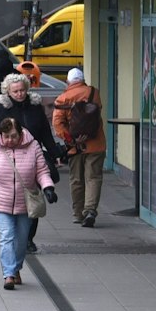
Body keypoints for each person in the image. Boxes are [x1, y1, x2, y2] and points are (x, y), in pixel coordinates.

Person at [0, 115, 55, 288]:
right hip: (0, 201)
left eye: (13, 136)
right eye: (6, 136)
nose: (10, 140)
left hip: (25, 203)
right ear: (0, 135)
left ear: (21, 134)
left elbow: (41, 170)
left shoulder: (33, 147)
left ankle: (16, 267)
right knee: (7, 236)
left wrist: (48, 187)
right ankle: (8, 274)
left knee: (22, 239)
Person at [0, 69, 63, 253]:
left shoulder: (35, 106)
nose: (20, 94)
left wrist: (55, 153)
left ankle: (28, 238)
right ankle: (11, 235)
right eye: (15, 91)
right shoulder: (3, 108)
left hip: (32, 157)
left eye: (22, 90)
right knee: (10, 200)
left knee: (32, 200)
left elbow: (46, 133)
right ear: (8, 92)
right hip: (9, 160)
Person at [53, 66, 107, 227]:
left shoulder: (62, 99)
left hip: (75, 146)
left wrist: (71, 139)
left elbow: (58, 124)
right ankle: (90, 210)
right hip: (96, 143)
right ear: (82, 80)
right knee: (93, 178)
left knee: (76, 179)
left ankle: (78, 214)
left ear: (68, 81)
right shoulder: (94, 93)